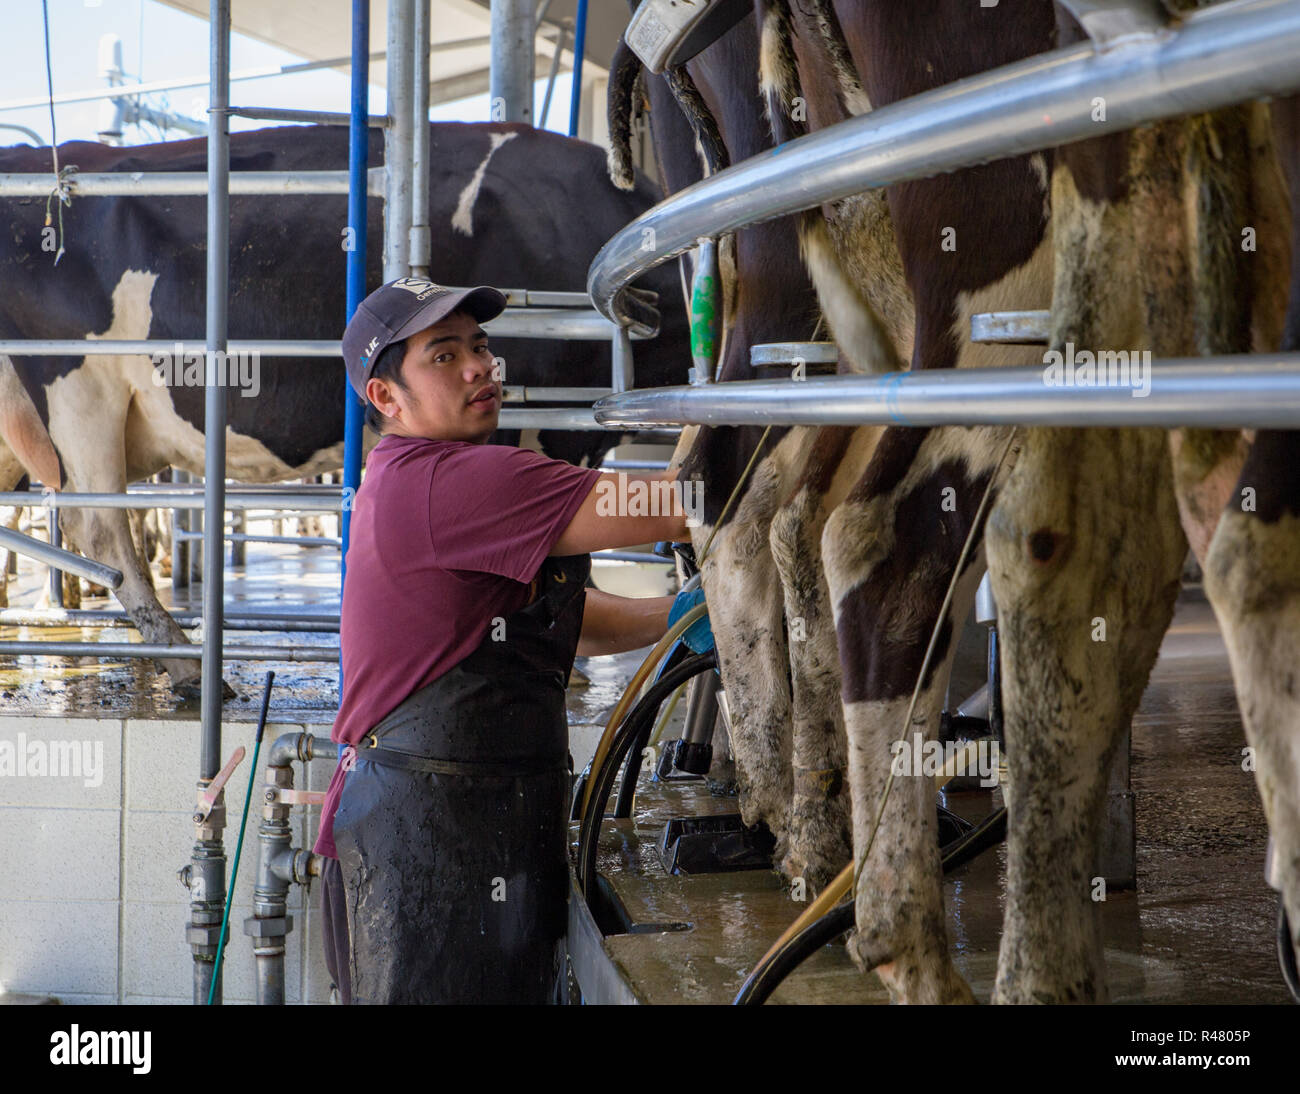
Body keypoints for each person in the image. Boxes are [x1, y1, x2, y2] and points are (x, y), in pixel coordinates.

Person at [313, 276, 693, 1004]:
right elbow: (673, 506)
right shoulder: (456, 480)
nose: (479, 366)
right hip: (429, 850)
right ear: (386, 399)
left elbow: (553, 622)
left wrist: (680, 613)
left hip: (449, 827)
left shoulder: (412, 477)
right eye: (444, 355)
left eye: (481, 347)